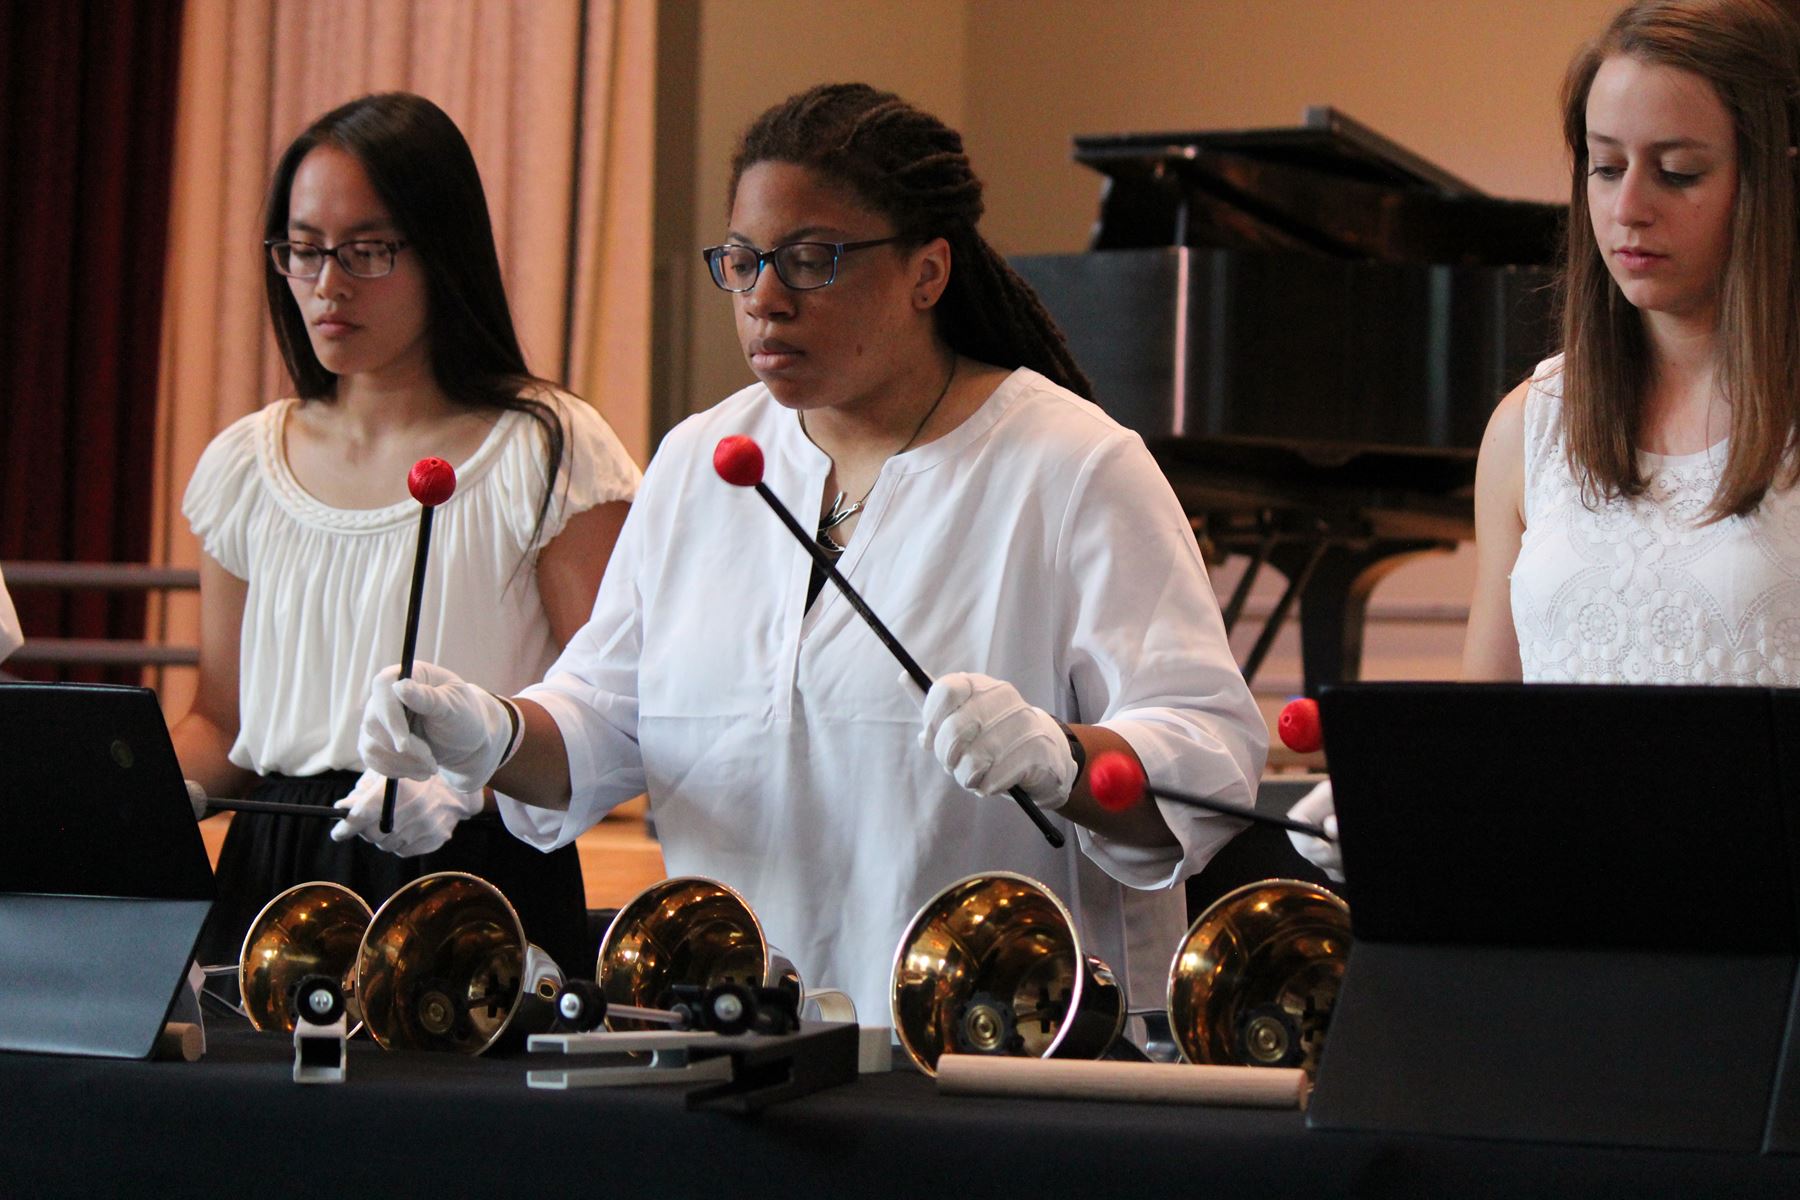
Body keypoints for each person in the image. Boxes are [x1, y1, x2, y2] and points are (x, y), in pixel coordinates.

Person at [352, 83, 1267, 1023]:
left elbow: (1211, 754)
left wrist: (1064, 759)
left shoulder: (1072, 467)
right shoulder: (702, 462)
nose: (765, 300)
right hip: (744, 1036)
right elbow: (604, 722)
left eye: (810, 261)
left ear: (927, 272)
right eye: (742, 261)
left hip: (1002, 1040)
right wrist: (490, 738)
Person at [1290, 0, 1800, 880]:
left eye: (1677, 172)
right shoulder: (1531, 425)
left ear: (1774, 182)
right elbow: (1491, 742)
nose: (1629, 208)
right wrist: (1399, 804)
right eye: (1606, 167)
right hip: (1569, 917)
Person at [173, 93, 640, 972]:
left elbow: (611, 718)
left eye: (367, 250)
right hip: (278, 873)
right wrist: (128, 799)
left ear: (443, 252)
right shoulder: (245, 463)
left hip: (471, 868)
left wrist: (468, 783)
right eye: (303, 249)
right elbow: (221, 720)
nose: (327, 284)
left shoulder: (549, 449)